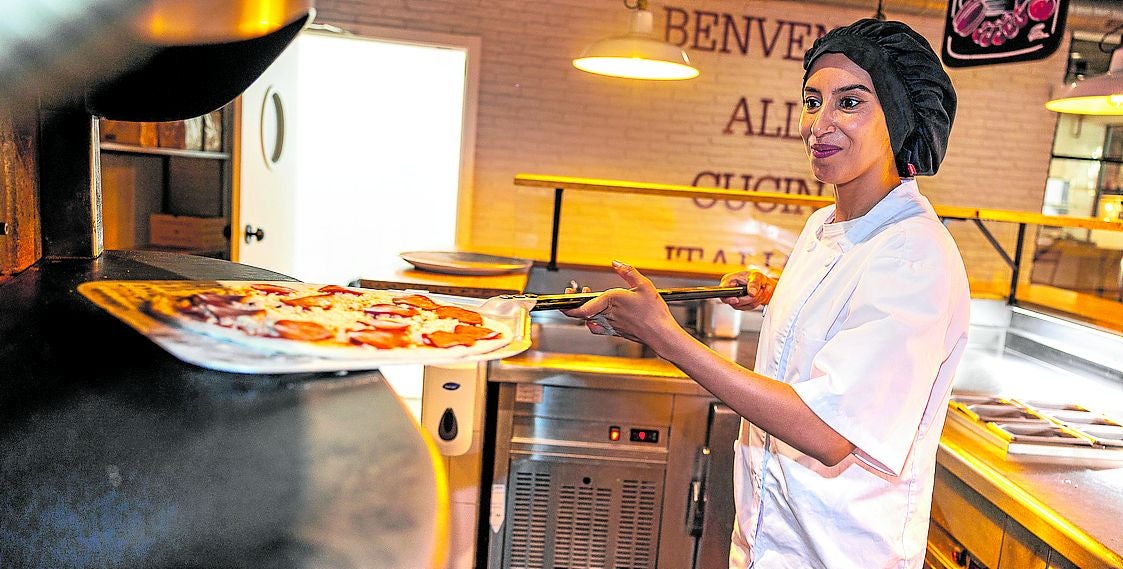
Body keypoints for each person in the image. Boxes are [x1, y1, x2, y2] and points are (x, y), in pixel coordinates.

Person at [562, 19, 969, 569]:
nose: (819, 125)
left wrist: (666, 337)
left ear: (897, 117)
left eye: (850, 103)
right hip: (769, 545)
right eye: (811, 100)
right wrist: (780, 299)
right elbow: (845, 320)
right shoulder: (827, 225)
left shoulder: (914, 254)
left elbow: (829, 431)